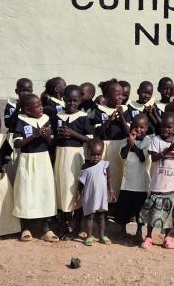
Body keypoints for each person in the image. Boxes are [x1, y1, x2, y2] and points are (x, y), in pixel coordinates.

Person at [11, 93, 58, 242]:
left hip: (43, 160)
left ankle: (46, 228)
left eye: (40, 105)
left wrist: (47, 137)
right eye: (36, 106)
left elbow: (51, 143)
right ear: (27, 109)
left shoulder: (46, 119)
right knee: (27, 192)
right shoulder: (21, 120)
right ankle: (26, 227)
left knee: (45, 191)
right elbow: (17, 143)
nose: (40, 108)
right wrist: (34, 136)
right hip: (27, 160)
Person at [138, 112, 174, 250]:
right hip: (157, 184)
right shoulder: (156, 140)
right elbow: (154, 158)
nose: (166, 130)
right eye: (163, 127)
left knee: (170, 214)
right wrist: (168, 150)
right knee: (153, 212)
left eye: (169, 127)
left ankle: (167, 237)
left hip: (171, 185)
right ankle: (148, 236)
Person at [53, 85, 94, 239]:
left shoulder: (83, 117)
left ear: (80, 101)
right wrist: (58, 136)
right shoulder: (58, 116)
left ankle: (77, 227)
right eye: (68, 100)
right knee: (62, 189)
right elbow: (53, 139)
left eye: (75, 101)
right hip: (61, 156)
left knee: (75, 190)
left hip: (76, 157)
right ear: (63, 99)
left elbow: (89, 140)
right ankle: (63, 225)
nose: (71, 104)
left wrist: (72, 133)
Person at [116, 114, 152, 241]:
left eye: (141, 127)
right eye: (135, 126)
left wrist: (134, 145)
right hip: (126, 183)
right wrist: (129, 143)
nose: (138, 130)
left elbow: (143, 158)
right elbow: (123, 155)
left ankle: (138, 231)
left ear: (147, 128)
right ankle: (122, 230)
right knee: (123, 209)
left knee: (139, 211)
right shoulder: (126, 139)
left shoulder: (148, 141)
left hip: (140, 184)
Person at [78, 139, 114, 245]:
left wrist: (111, 190)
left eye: (99, 154)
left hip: (101, 196)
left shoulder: (105, 165)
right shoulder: (85, 167)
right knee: (90, 216)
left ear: (102, 153)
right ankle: (89, 236)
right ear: (88, 152)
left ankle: (102, 235)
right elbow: (81, 182)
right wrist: (79, 194)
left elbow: (109, 179)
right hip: (89, 196)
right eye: (93, 154)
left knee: (102, 216)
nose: (96, 157)